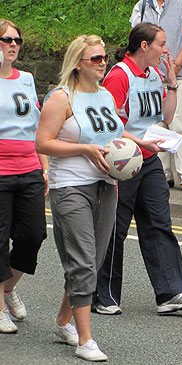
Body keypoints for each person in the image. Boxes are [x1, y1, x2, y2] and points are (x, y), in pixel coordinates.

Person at [94, 22, 182, 316]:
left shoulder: (155, 74)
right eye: (162, 44)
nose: (167, 50)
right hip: (121, 163)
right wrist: (141, 141)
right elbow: (110, 125)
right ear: (145, 46)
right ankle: (103, 295)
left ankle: (170, 292)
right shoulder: (119, 76)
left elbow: (167, 117)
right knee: (114, 230)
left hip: (149, 160)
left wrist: (171, 83)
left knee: (158, 223)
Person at [36, 34, 124, 361]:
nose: (103, 64)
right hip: (70, 187)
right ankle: (85, 339)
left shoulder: (104, 95)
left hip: (106, 184)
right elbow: (43, 142)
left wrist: (141, 142)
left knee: (93, 261)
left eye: (104, 58)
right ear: (77, 63)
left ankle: (63, 320)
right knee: (83, 260)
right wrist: (84, 150)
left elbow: (114, 133)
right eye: (95, 59)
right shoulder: (61, 98)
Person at [0, 19, 47, 334]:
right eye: (5, 39)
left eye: (17, 39)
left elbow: (37, 124)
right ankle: (0, 308)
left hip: (28, 166)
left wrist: (44, 166)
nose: (12, 44)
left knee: (33, 235)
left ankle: (7, 288)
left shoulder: (28, 79)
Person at [130, 0, 182, 192]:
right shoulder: (142, 5)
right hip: (149, 75)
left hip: (179, 75)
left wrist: (175, 68)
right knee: (155, 124)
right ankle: (163, 173)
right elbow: (136, 40)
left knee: (181, 124)